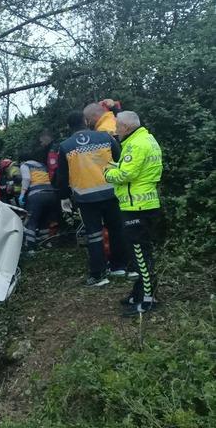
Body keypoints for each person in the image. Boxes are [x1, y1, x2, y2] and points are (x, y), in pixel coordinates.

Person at [54, 111, 128, 286]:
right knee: (117, 229)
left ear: (68, 127)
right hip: (111, 192)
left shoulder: (65, 146)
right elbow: (121, 160)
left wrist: (64, 197)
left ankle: (99, 275)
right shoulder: (105, 137)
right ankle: (120, 266)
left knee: (94, 235)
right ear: (86, 122)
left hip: (85, 197)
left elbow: (62, 176)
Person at [104, 111, 163, 316]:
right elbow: (136, 168)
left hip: (136, 208)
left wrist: (107, 172)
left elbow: (126, 174)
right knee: (140, 253)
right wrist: (119, 165)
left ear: (127, 127)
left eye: (118, 127)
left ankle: (148, 300)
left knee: (140, 256)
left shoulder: (135, 144)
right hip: (143, 205)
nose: (116, 131)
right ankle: (139, 293)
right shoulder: (146, 139)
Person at [20, 155, 58, 250]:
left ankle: (30, 247)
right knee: (44, 221)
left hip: (37, 195)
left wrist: (22, 194)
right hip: (51, 194)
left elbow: (26, 179)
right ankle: (45, 245)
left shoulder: (25, 165)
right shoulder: (42, 165)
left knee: (31, 221)